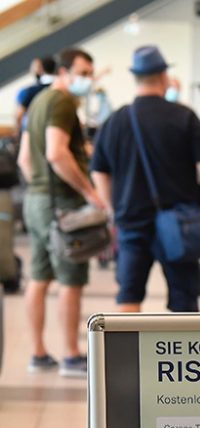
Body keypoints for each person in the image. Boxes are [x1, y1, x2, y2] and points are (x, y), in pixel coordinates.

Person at [90, 46, 200, 313]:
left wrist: (113, 206)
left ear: (136, 78)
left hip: (131, 220)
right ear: (163, 76)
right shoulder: (184, 116)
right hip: (179, 222)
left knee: (129, 294)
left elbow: (99, 170)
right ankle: (182, 355)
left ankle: (127, 355)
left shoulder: (115, 120)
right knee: (184, 297)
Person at [16, 47, 107, 378]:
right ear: (64, 71)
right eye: (82, 72)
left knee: (39, 278)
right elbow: (56, 153)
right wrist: (89, 192)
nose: (86, 79)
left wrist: (39, 188)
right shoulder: (63, 102)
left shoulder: (37, 101)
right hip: (63, 205)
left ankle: (38, 353)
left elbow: (25, 158)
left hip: (36, 200)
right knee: (71, 279)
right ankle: (71, 355)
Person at [14, 56, 55, 132]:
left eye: (39, 66)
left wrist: (17, 131)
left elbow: (19, 115)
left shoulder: (29, 91)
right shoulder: (60, 87)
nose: (36, 69)